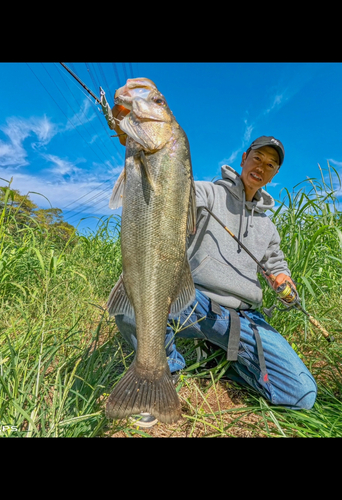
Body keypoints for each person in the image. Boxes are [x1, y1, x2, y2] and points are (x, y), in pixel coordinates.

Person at [115, 136, 317, 427]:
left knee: (302, 394)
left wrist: (285, 284)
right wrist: (144, 154)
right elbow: (167, 193)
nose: (261, 167)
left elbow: (277, 266)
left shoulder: (269, 227)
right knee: (135, 301)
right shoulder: (207, 194)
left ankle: (220, 357)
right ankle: (166, 372)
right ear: (244, 158)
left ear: (274, 175)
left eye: (270, 165)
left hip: (244, 319)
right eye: (257, 158)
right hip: (193, 302)